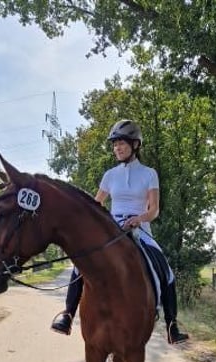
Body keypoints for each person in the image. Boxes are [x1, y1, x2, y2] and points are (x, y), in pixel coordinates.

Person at [50, 119, 189, 345]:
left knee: (165, 267)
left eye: (121, 144)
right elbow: (96, 205)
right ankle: (67, 315)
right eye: (114, 145)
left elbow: (154, 210)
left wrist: (139, 219)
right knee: (80, 264)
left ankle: (172, 325)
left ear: (135, 145)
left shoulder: (149, 174)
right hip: (112, 229)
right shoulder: (110, 175)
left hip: (140, 229)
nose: (117, 148)